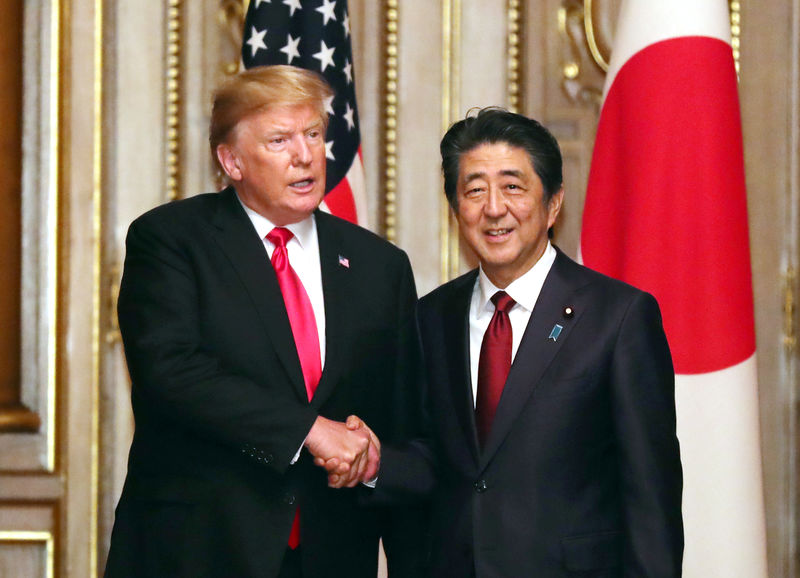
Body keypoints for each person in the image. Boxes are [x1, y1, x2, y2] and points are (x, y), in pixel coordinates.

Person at [104, 65, 424, 578]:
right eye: (280, 140)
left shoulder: (379, 266)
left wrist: (370, 456)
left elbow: (407, 417)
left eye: (314, 134)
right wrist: (311, 432)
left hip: (332, 556)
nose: (305, 155)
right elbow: (173, 373)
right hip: (199, 552)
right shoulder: (172, 240)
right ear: (231, 160)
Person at [341, 107, 683, 576]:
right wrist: (376, 462)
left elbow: (650, 496)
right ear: (456, 208)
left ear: (553, 204)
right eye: (474, 190)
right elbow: (437, 461)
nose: (494, 208)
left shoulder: (619, 317)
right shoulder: (431, 316)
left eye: (513, 186)